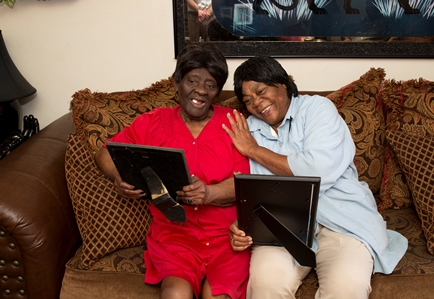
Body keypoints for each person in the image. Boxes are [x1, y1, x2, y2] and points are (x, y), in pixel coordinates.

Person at [222, 56, 408, 299]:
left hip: (342, 220)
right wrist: (243, 223)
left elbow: (316, 171)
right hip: (282, 225)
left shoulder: (318, 109)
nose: (257, 103)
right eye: (248, 100)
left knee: (347, 289)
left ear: (284, 84)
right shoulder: (248, 130)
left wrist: (254, 150)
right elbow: (251, 187)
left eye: (261, 91)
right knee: (265, 287)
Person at [95, 43, 250, 299]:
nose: (201, 90)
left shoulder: (232, 122)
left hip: (226, 236)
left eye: (211, 85)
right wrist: (120, 176)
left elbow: (244, 182)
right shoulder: (152, 122)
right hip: (175, 234)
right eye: (192, 80)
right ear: (176, 81)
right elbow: (104, 152)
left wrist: (208, 193)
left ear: (218, 92)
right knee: (175, 294)